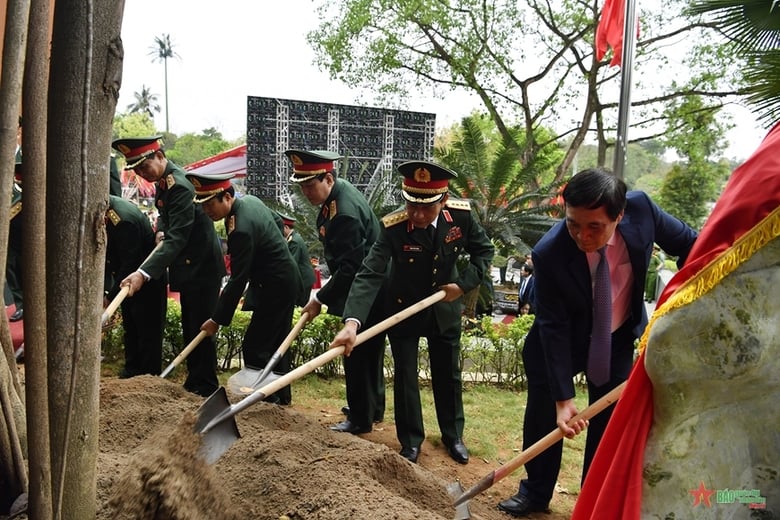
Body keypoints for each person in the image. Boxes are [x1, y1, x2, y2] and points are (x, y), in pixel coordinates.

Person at [497, 167, 697, 517]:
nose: (582, 236)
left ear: (619, 216)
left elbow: (692, 245)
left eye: (594, 227)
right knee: (544, 416)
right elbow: (552, 325)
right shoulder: (550, 252)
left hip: (615, 336)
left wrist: (687, 293)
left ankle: (593, 500)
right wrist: (563, 399)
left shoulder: (644, 210)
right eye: (573, 223)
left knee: (606, 426)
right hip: (558, 343)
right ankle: (535, 492)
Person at [329, 160, 494, 465]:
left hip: (444, 308)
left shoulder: (460, 217)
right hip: (403, 308)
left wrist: (463, 284)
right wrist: (352, 322)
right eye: (410, 205)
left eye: (426, 208)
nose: (416, 215)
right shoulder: (392, 227)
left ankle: (453, 436)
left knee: (448, 374)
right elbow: (369, 272)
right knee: (405, 376)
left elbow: (485, 251)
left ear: (443, 200)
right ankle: (410, 441)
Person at [113, 136, 226, 398]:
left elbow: (179, 237)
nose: (142, 173)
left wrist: (143, 273)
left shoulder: (180, 186)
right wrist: (161, 231)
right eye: (137, 169)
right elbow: (166, 219)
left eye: (145, 166)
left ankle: (206, 385)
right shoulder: (165, 184)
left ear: (161, 157)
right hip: (188, 268)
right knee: (190, 326)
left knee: (201, 327)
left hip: (202, 268)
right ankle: (195, 381)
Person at [285, 148, 385, 433]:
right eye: (301, 185)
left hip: (365, 289)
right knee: (370, 350)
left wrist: (320, 297)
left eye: (309, 184)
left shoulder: (344, 214)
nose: (305, 191)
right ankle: (372, 407)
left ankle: (360, 419)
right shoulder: (340, 193)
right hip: (373, 285)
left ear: (327, 178)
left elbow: (351, 267)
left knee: (355, 352)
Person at [187, 172, 303, 405]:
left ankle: (263, 400)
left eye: (210, 204)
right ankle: (280, 398)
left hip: (276, 286)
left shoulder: (240, 229)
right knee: (277, 342)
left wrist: (216, 319)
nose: (207, 211)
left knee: (256, 345)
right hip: (281, 281)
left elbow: (238, 280)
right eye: (203, 205)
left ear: (227, 197)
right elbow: (277, 222)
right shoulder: (250, 201)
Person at [105, 195, 167, 376]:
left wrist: (110, 297)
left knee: (147, 332)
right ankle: (132, 371)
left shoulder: (123, 221)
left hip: (146, 282)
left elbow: (129, 263)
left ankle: (148, 377)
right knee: (131, 328)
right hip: (128, 281)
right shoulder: (110, 210)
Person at [278, 211, 316, 307]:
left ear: (286, 227)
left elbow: (291, 263)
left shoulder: (294, 241)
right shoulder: (292, 238)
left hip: (304, 280)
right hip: (302, 279)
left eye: (280, 228)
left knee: (300, 306)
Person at [6, 160, 23, 322]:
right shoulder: (11, 189)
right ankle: (20, 304)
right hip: (8, 237)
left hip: (25, 235)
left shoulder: (22, 192)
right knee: (9, 268)